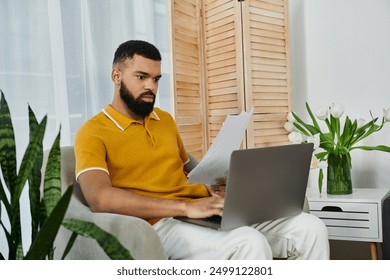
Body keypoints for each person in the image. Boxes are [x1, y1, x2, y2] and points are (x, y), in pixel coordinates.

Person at [74, 40, 330, 260]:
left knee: (310, 227)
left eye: (156, 79)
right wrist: (185, 208)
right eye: (141, 77)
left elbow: (192, 168)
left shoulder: (164, 120)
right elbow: (100, 199)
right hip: (158, 223)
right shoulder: (92, 131)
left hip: (202, 209)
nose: (151, 86)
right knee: (248, 243)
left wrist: (226, 184)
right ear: (116, 76)